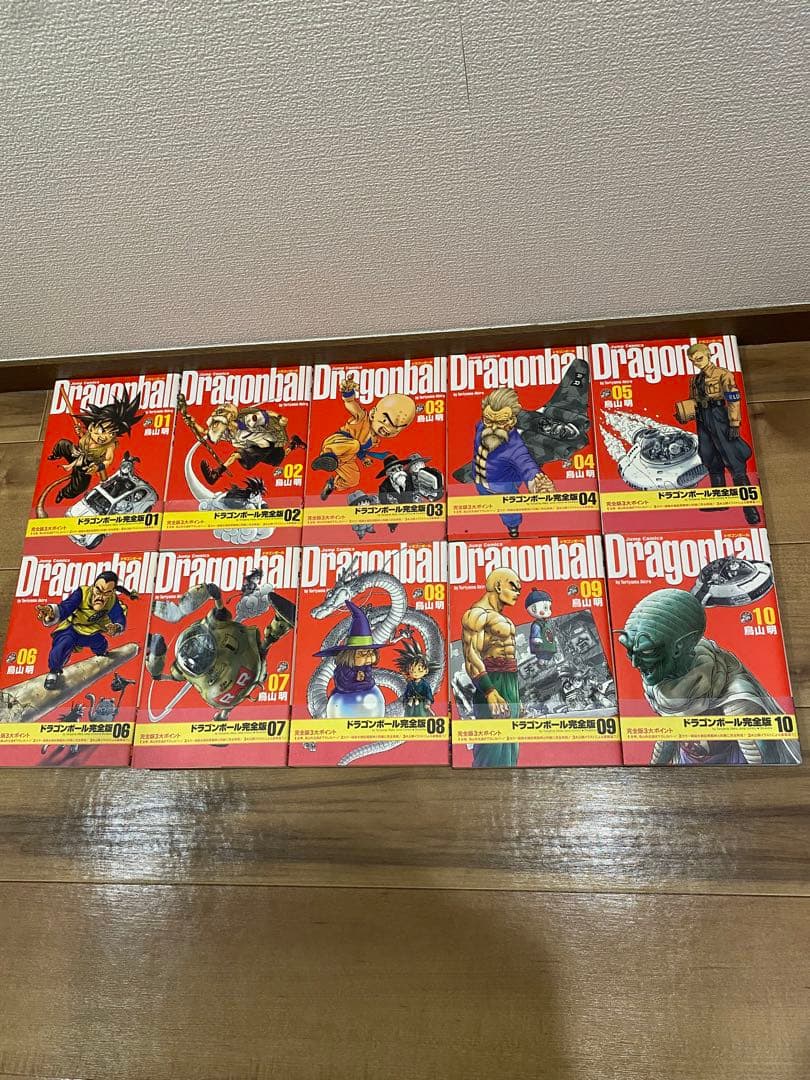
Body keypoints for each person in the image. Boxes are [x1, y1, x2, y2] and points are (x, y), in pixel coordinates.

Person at [680, 342, 760, 524]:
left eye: (699, 358)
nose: (697, 363)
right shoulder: (695, 380)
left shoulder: (723, 374)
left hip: (719, 416)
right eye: (693, 361)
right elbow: (693, 400)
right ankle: (720, 501)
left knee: (734, 459)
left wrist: (734, 423)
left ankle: (750, 509)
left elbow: (733, 398)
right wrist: (685, 412)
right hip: (703, 418)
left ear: (708, 355)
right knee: (710, 457)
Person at [311, 377, 416, 499]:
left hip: (345, 459)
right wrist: (348, 393)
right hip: (336, 444)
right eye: (386, 421)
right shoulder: (362, 418)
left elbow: (360, 450)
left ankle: (332, 485)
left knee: (354, 479)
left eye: (395, 428)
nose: (388, 429)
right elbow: (351, 404)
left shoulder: (375, 440)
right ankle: (327, 457)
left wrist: (364, 459)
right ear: (373, 414)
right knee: (355, 444)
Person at [461, 566, 523, 767]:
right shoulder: (477, 615)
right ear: (498, 586)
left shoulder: (503, 618)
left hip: (510, 682)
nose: (517, 593)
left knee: (511, 746)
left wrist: (516, 695)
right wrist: (489, 690)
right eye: (513, 587)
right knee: (491, 746)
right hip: (491, 681)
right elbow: (471, 655)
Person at [472, 387, 554, 537]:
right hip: (480, 482)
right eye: (489, 420)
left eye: (501, 422)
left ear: (512, 421)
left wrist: (536, 484)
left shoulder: (515, 446)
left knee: (509, 512)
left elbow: (526, 464)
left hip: (503, 488)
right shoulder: (481, 426)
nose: (493, 427)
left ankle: (513, 528)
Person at [36, 571, 136, 690]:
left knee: (101, 644)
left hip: (89, 632)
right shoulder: (82, 593)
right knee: (63, 644)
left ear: (112, 592)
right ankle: (53, 672)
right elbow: (66, 607)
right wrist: (52, 613)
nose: (100, 597)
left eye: (106, 593)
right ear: (93, 587)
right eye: (98, 591)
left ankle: (102, 653)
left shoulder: (112, 600)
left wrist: (117, 627)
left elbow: (119, 616)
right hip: (72, 628)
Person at [47, 389, 143, 503]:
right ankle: (55, 455)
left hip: (87, 465)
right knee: (62, 444)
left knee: (79, 487)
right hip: (76, 452)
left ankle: (63, 493)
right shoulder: (90, 432)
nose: (104, 437)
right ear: (92, 426)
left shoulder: (110, 445)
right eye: (103, 430)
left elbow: (108, 460)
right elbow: (85, 439)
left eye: (111, 433)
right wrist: (80, 433)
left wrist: (98, 467)